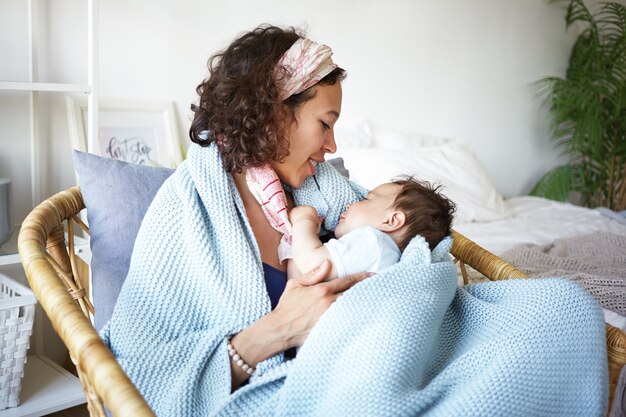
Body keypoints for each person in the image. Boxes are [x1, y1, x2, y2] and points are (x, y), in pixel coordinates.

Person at [101, 24, 370, 413]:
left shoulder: (323, 190)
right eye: (325, 123)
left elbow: (403, 236)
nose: (332, 145)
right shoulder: (184, 210)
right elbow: (137, 377)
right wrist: (278, 330)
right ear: (275, 113)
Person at [288, 177, 456, 280]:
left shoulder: (373, 241)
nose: (350, 203)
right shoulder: (386, 254)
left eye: (366, 199)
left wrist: (304, 219)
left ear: (391, 221)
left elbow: (309, 263)